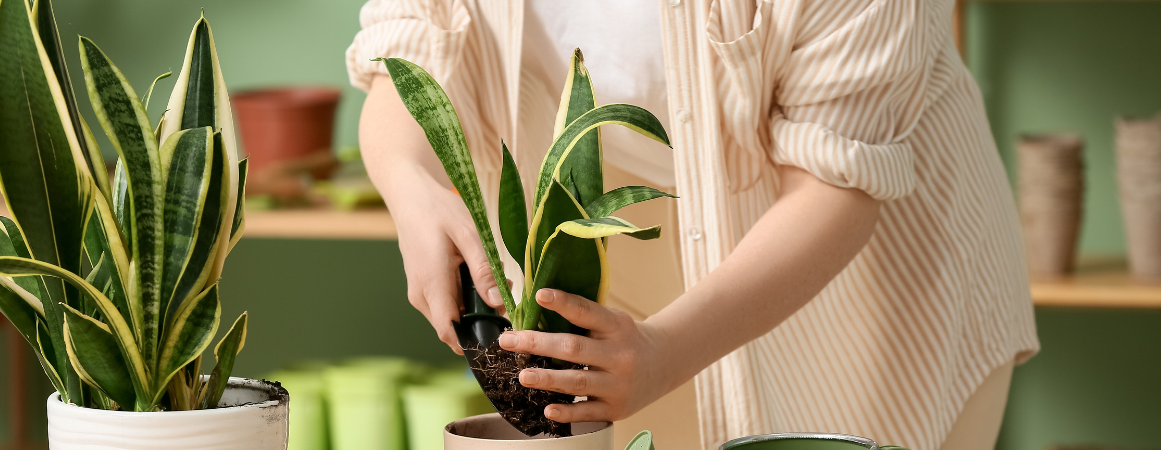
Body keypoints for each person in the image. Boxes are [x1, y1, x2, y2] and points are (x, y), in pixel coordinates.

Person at [347, 1, 1039, 449]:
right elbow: (404, 52)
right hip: (623, 263)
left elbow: (838, 181)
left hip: (859, 284)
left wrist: (668, 351)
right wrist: (413, 187)